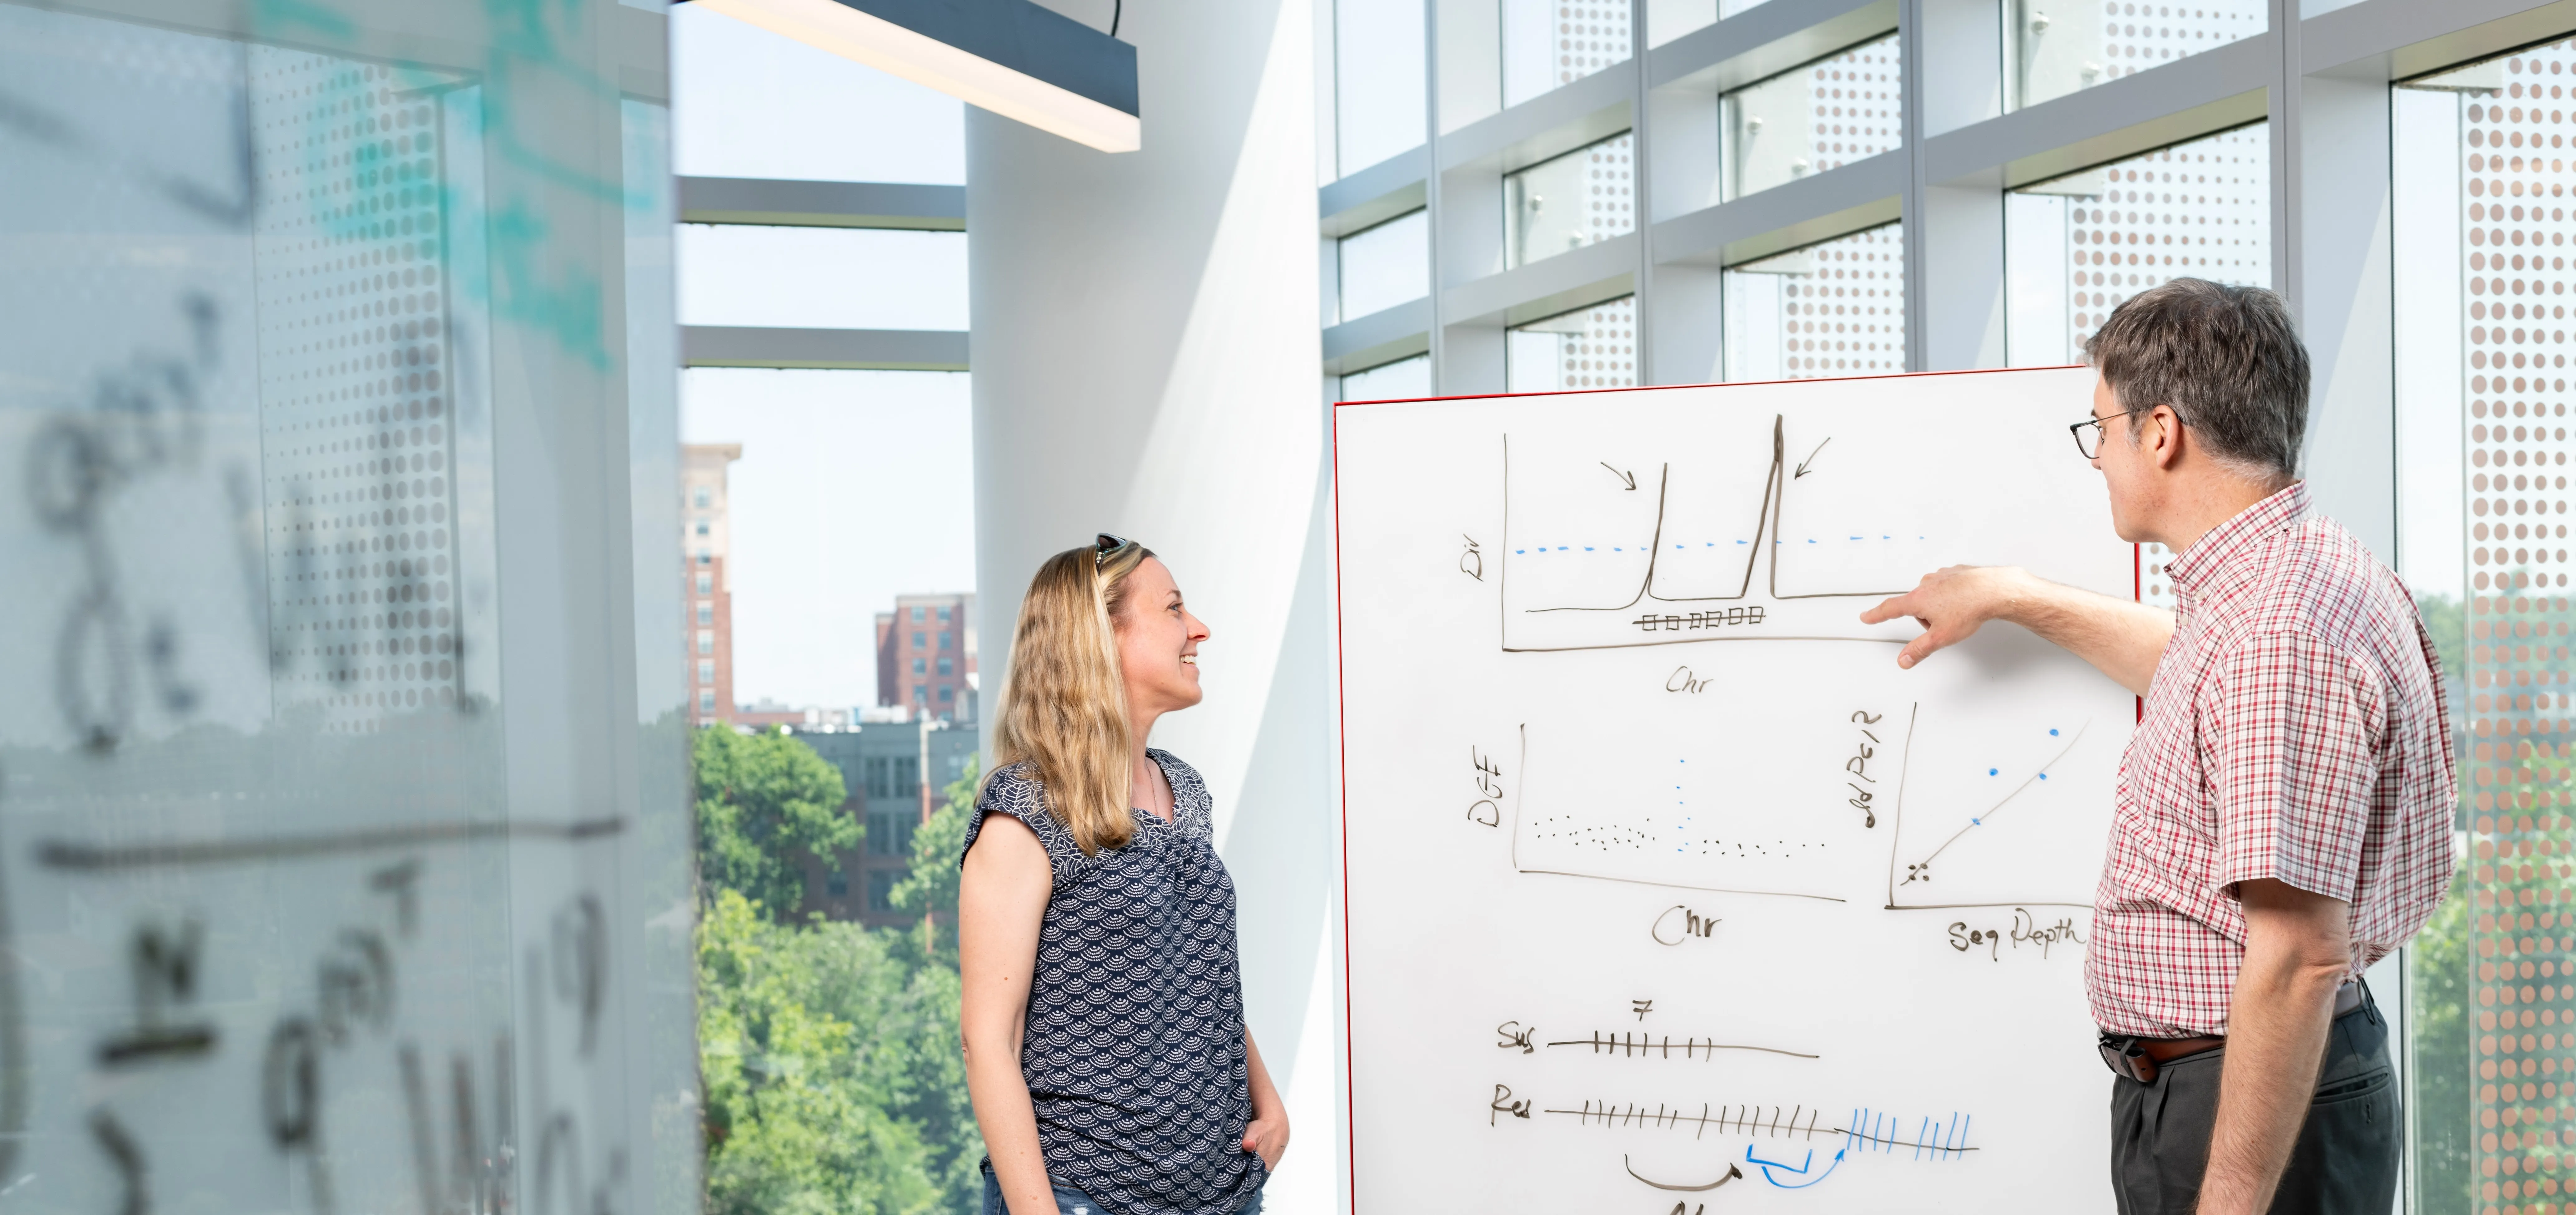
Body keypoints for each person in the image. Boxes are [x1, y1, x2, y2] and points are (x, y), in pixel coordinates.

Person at [1862, 279, 2456, 1215]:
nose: (2096, 455)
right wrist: (2015, 595)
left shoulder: (2276, 634)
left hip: (2244, 1100)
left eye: (2099, 428)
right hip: (2224, 1083)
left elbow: (2299, 956)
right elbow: (2197, 675)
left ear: (2161, 432)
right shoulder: (2286, 575)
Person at [958, 534, 1287, 1215]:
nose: (1199, 629)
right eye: (1174, 609)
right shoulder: (1025, 812)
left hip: (1224, 1193)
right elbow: (988, 1041)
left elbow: (1190, 976)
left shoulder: (1185, 790)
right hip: (1084, 1195)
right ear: (1102, 635)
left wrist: (1268, 1098)